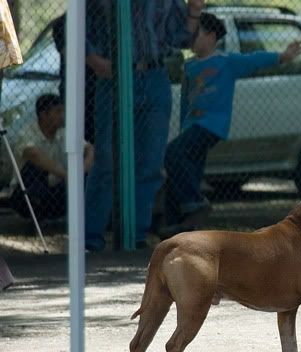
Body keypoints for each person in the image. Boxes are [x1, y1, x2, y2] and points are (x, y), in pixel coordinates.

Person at [161, 12, 301, 236]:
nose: (189, 38)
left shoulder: (226, 62)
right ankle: (176, 223)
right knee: (185, 168)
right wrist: (182, 130)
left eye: (195, 33)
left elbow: (253, 59)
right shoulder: (189, 66)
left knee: (173, 154)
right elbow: (185, 102)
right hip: (192, 127)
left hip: (211, 126)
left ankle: (195, 203)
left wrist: (282, 56)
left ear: (211, 36)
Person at [83, 0, 205, 251]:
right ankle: (89, 240)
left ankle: (135, 237)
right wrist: (94, 60)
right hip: (113, 78)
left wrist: (194, 10)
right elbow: (73, 29)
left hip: (155, 77)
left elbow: (182, 39)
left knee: (150, 163)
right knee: (106, 160)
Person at [8, 94, 94, 220]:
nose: (62, 115)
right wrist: (67, 175)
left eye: (63, 111)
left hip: (55, 189)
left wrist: (80, 172)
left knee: (90, 176)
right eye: (58, 111)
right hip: (25, 193)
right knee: (33, 168)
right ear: (44, 114)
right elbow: (33, 154)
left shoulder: (64, 132)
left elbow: (89, 149)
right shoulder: (27, 133)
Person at [51, 11, 97, 143]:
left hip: (96, 87)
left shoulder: (97, 17)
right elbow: (70, 54)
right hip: (76, 90)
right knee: (81, 137)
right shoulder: (64, 23)